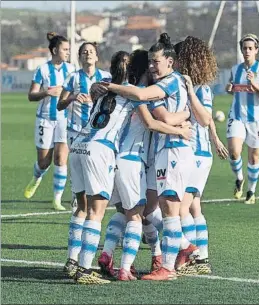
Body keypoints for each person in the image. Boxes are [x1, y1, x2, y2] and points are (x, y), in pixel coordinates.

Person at [100, 33, 211, 281]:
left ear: (170, 62)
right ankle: (179, 251)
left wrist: (108, 85)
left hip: (170, 151)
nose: (152, 66)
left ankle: (166, 266)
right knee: (151, 210)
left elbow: (151, 110)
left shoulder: (169, 83)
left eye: (156, 61)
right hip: (159, 153)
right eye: (149, 62)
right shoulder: (173, 82)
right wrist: (182, 120)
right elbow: (170, 117)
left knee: (167, 208)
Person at [64, 50, 138, 285]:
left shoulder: (102, 85)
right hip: (100, 149)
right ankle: (85, 270)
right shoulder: (132, 94)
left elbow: (97, 90)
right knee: (96, 212)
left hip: (78, 144)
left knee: (81, 208)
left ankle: (72, 261)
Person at [173, 36, 229, 275]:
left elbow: (205, 119)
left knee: (181, 209)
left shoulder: (200, 88)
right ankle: (202, 259)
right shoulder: (189, 85)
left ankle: (190, 257)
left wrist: (189, 92)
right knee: (195, 207)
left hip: (196, 154)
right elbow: (208, 124)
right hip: (197, 151)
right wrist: (216, 139)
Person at [24, 32, 75, 211]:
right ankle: (37, 177)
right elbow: (31, 95)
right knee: (44, 162)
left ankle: (57, 200)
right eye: (65, 49)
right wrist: (47, 92)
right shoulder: (42, 70)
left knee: (61, 159)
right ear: (55, 50)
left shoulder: (71, 69)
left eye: (69, 49)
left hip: (64, 119)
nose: (68, 52)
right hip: (45, 119)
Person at [57, 42, 111, 210]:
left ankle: (96, 202)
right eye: (84, 52)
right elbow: (60, 105)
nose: (88, 54)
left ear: (96, 57)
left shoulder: (106, 77)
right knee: (78, 169)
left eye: (91, 52)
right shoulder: (73, 78)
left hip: (98, 131)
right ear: (80, 57)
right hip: (76, 130)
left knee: (96, 168)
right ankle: (78, 203)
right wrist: (73, 97)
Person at [225, 33, 259, 204]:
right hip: (237, 116)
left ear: (256, 50)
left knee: (253, 157)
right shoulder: (235, 70)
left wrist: (255, 85)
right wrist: (229, 88)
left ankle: (251, 191)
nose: (247, 51)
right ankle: (239, 179)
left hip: (256, 120)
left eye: (250, 48)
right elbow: (232, 88)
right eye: (244, 48)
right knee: (234, 151)